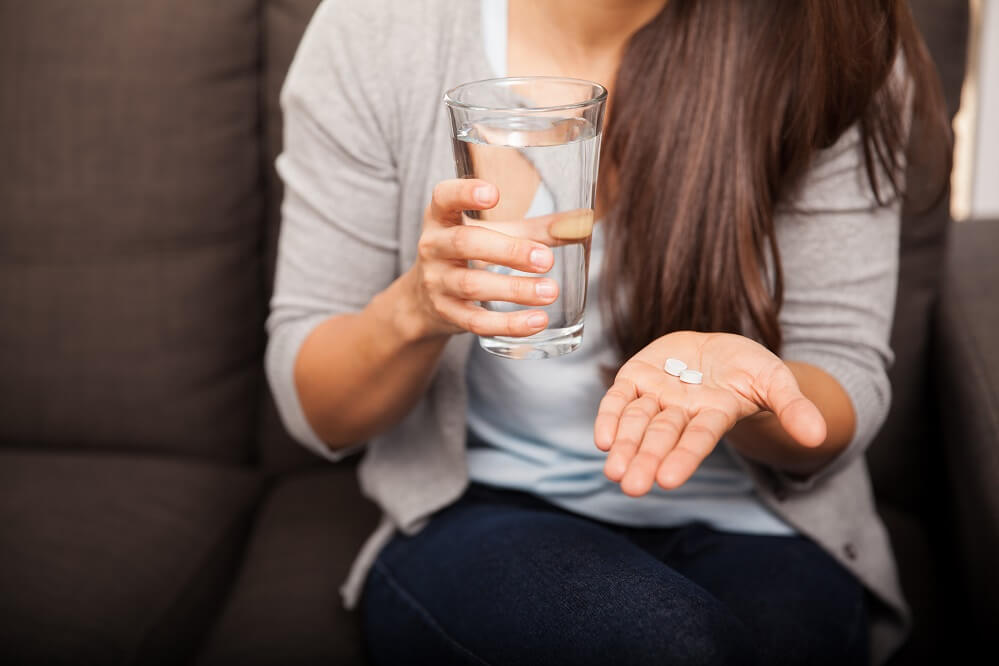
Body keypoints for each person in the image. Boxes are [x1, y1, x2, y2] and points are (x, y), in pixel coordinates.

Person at [267, 0, 949, 663]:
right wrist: (413, 310)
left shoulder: (825, 35)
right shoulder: (381, 29)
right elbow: (320, 411)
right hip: (486, 511)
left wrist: (747, 394)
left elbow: (842, 384)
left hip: (760, 526)